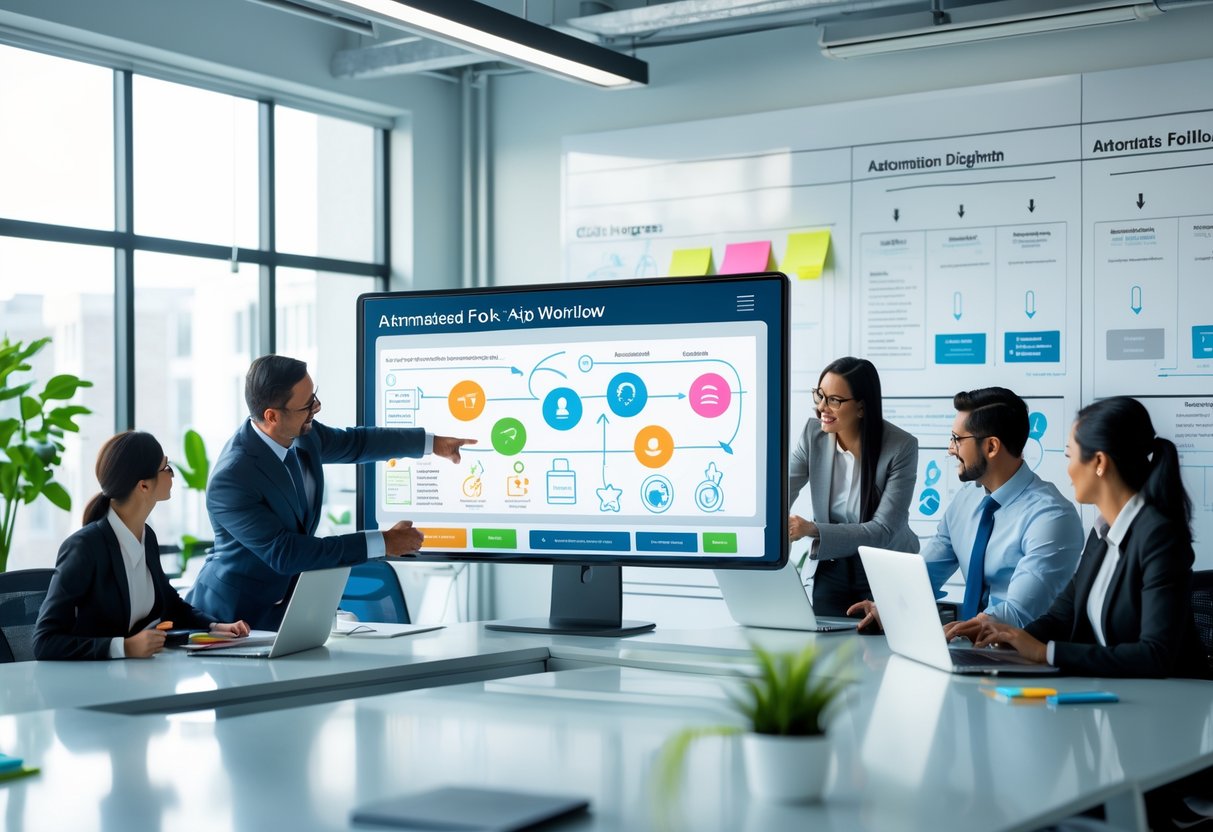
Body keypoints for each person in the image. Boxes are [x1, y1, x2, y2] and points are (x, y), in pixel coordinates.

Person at [187, 355, 476, 630]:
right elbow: (286, 553)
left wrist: (432, 444)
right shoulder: (233, 478)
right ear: (272, 416)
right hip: (228, 620)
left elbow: (357, 443)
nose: (317, 407)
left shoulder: (302, 435)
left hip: (283, 614)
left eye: (314, 396)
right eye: (307, 404)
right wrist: (383, 542)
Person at [974, 396, 1209, 678]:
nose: (1068, 469)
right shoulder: (1102, 534)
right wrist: (1006, 639)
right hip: (1118, 692)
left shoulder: (1160, 537)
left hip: (1175, 697)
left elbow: (1155, 655)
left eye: (1069, 456)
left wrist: (1044, 653)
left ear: (1099, 462)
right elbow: (1062, 616)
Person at [849, 387, 1083, 633]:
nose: (950, 449)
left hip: (1021, 649)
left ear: (991, 447)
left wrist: (957, 631)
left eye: (957, 439)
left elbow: (1018, 613)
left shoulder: (1052, 518)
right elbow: (924, 575)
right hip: (969, 644)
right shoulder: (966, 499)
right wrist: (888, 605)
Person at [34, 431, 250, 660]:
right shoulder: (84, 547)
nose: (172, 475)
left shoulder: (147, 537)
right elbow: (45, 641)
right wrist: (124, 647)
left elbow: (171, 604)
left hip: (138, 672)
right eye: (166, 468)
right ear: (144, 486)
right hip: (94, 678)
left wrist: (214, 627)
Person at [788, 356, 920, 617]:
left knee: (878, 641)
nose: (821, 408)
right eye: (820, 396)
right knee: (823, 638)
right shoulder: (813, 435)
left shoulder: (900, 447)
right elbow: (782, 493)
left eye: (834, 400)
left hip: (883, 563)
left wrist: (812, 529)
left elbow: (883, 530)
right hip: (832, 562)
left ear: (861, 407)